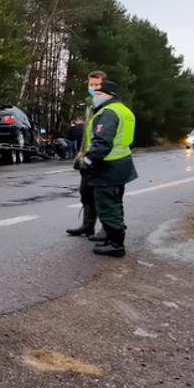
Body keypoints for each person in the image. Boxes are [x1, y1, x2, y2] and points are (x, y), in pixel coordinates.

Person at [78, 78, 138, 257]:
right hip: (122, 164)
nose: (95, 97)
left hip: (108, 167)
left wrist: (88, 162)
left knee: (107, 206)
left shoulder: (108, 113)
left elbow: (102, 142)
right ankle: (112, 238)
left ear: (109, 95)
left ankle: (116, 244)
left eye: (98, 94)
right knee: (115, 203)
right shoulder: (125, 111)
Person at [67, 72, 105, 241]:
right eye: (91, 85)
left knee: (103, 196)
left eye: (97, 85)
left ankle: (107, 229)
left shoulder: (107, 106)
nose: (94, 88)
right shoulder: (90, 105)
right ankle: (88, 225)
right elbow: (87, 132)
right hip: (89, 155)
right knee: (86, 192)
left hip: (103, 157)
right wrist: (82, 151)